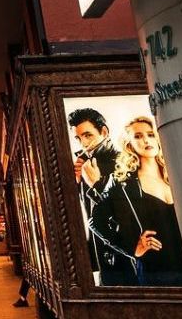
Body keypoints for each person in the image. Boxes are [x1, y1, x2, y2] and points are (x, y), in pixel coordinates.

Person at [87, 116, 182, 288]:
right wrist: (131, 248)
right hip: (155, 268)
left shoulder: (176, 174)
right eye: (138, 136)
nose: (146, 140)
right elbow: (96, 221)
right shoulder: (123, 183)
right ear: (129, 144)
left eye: (151, 134)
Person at [69, 107, 134, 286]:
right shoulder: (84, 165)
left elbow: (125, 211)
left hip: (125, 252)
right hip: (102, 250)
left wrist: (97, 184)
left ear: (104, 132)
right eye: (78, 138)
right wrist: (76, 183)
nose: (83, 143)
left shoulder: (123, 162)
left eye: (87, 135)